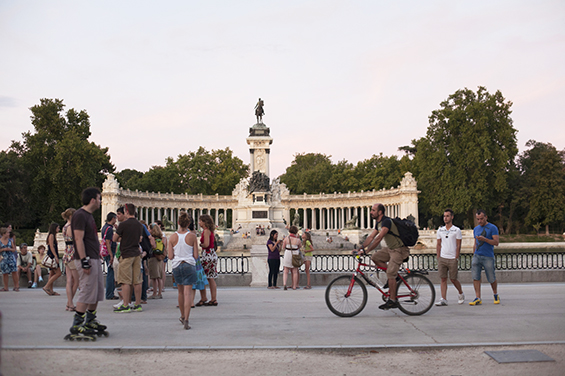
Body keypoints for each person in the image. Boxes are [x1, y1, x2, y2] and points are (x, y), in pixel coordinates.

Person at [67, 187, 107, 340]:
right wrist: (84, 261)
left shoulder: (89, 216)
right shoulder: (80, 215)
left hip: (93, 257)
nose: (100, 201)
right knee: (87, 290)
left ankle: (90, 320)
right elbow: (78, 239)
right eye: (99, 198)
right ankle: (77, 324)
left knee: (96, 292)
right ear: (92, 200)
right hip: (86, 258)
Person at [358, 203, 410, 310]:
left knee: (390, 273)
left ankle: (393, 301)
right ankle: (393, 278)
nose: (371, 212)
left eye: (373, 210)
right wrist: (361, 248)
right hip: (391, 249)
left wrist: (367, 250)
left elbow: (378, 238)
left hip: (399, 250)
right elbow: (371, 236)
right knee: (375, 257)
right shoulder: (378, 223)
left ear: (380, 212)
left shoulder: (386, 221)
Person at [168, 211, 199, 329]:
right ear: (189, 223)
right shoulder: (192, 236)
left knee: (180, 293)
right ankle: (186, 319)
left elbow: (170, 256)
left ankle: (181, 315)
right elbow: (196, 255)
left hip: (176, 266)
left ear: (178, 222)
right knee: (188, 293)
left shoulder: (172, 237)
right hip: (189, 265)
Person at [113, 203, 144, 313]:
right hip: (136, 253)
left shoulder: (123, 225)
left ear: (126, 211)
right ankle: (138, 304)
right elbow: (140, 239)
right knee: (137, 280)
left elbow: (114, 238)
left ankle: (126, 304)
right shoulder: (139, 225)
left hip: (126, 254)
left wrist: (122, 237)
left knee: (125, 281)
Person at [469, 209, 500, 306]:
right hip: (477, 255)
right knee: (475, 276)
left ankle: (495, 294)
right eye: (478, 219)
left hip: (488, 256)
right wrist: (474, 253)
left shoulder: (493, 228)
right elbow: (475, 243)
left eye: (481, 219)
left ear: (486, 217)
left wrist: (485, 239)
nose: (480, 221)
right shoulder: (476, 229)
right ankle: (478, 297)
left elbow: (496, 242)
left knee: (491, 277)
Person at [435, 209, 465, 306]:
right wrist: (438, 256)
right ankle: (443, 298)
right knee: (443, 278)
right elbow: (438, 244)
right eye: (444, 216)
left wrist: (456, 257)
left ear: (452, 217)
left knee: (453, 279)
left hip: (452, 258)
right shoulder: (440, 230)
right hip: (443, 257)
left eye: (447, 216)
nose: (445, 218)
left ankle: (460, 293)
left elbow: (458, 245)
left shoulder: (456, 230)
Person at [62, 208, 79, 311]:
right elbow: (76, 239)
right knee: (76, 281)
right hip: (72, 253)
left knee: (69, 280)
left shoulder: (65, 226)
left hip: (67, 253)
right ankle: (70, 303)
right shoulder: (70, 227)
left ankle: (69, 303)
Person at [199, 214, 218, 306]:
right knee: (211, 277)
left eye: (200, 221)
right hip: (212, 254)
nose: (199, 223)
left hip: (207, 255)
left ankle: (204, 297)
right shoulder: (210, 231)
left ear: (204, 222)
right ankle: (213, 298)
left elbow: (206, 244)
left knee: (204, 277)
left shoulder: (206, 231)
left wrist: (200, 244)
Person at [101, 212, 118, 300]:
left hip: (106, 252)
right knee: (111, 273)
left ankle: (110, 293)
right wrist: (111, 255)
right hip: (109, 252)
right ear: (113, 219)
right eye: (115, 218)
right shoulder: (110, 229)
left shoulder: (104, 227)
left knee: (110, 272)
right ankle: (109, 294)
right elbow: (108, 242)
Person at [43, 223, 62, 296]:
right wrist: (56, 256)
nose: (59, 229)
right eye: (58, 228)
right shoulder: (51, 236)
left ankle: (51, 290)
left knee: (52, 273)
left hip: (52, 255)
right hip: (52, 256)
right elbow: (51, 247)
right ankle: (46, 286)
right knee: (58, 273)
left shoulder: (53, 236)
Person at [282, 226, 302, 290]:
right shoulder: (298, 240)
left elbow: (283, 247)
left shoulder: (286, 238)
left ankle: (285, 284)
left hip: (288, 253)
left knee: (286, 270)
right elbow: (300, 246)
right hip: (295, 253)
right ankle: (294, 286)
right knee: (295, 271)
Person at [148, 224, 164, 299]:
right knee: (159, 277)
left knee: (154, 277)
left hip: (153, 257)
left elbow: (153, 246)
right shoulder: (160, 238)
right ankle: (160, 292)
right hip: (159, 257)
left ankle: (154, 293)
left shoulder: (152, 238)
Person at [1, 227, 18, 291]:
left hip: (11, 257)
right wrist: (3, 249)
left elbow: (14, 249)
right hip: (3, 258)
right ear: (3, 234)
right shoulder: (0, 241)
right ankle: (6, 287)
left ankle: (16, 286)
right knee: (4, 273)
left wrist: (10, 249)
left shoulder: (10, 241)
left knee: (14, 271)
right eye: (7, 233)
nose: (9, 234)